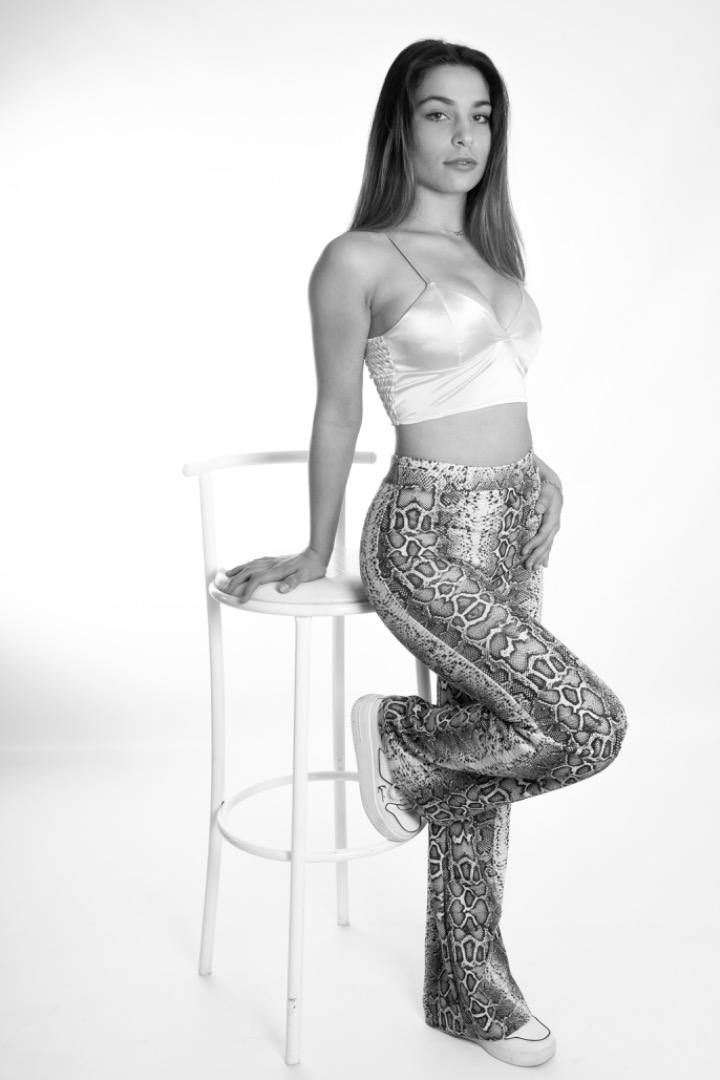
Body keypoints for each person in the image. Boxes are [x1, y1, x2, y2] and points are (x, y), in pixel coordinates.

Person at [214, 38, 628, 1068]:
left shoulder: (494, 258)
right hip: (426, 535)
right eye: (440, 113)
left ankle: (467, 990)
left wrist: (539, 476)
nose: (463, 135)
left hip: (516, 525)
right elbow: (338, 410)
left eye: (481, 115)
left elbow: (494, 391)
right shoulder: (357, 258)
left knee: (505, 741)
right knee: (585, 725)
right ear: (401, 127)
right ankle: (396, 738)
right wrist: (315, 548)